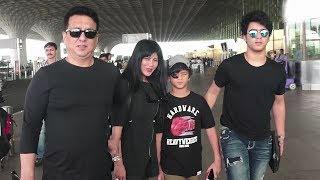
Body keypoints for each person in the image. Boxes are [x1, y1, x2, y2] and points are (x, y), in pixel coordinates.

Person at [20, 6, 121, 180]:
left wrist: (116, 151)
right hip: (58, 173)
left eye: (89, 33)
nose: (82, 37)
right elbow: (30, 128)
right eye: (75, 32)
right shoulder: (45, 76)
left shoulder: (110, 73)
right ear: (65, 36)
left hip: (100, 172)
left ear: (96, 38)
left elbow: (119, 109)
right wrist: (27, 175)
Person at [205, 10, 286, 180]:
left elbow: (278, 103)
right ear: (244, 36)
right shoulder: (229, 66)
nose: (258, 37)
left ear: (268, 36)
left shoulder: (277, 71)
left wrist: (281, 134)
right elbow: (212, 92)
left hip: (263, 139)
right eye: (253, 33)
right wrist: (196, 119)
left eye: (263, 33)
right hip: (233, 134)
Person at [109, 39, 167, 180]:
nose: (151, 64)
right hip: (129, 162)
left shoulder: (156, 87)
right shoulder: (125, 85)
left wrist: (159, 166)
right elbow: (115, 135)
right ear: (137, 58)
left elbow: (158, 131)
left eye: (155, 60)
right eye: (146, 58)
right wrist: (118, 164)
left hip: (150, 160)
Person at [156, 55, 222, 180]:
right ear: (169, 78)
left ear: (189, 76)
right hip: (170, 167)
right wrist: (158, 166)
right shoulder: (163, 103)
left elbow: (211, 130)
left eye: (184, 73)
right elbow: (158, 137)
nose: (180, 78)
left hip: (193, 165)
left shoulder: (199, 101)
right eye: (175, 74)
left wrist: (217, 158)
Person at [35, 42, 58, 167]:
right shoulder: (41, 69)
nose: (49, 52)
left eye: (51, 50)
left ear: (56, 51)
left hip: (58, 103)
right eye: (47, 50)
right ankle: (40, 155)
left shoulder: (62, 66)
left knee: (58, 129)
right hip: (44, 103)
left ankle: (56, 153)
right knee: (42, 130)